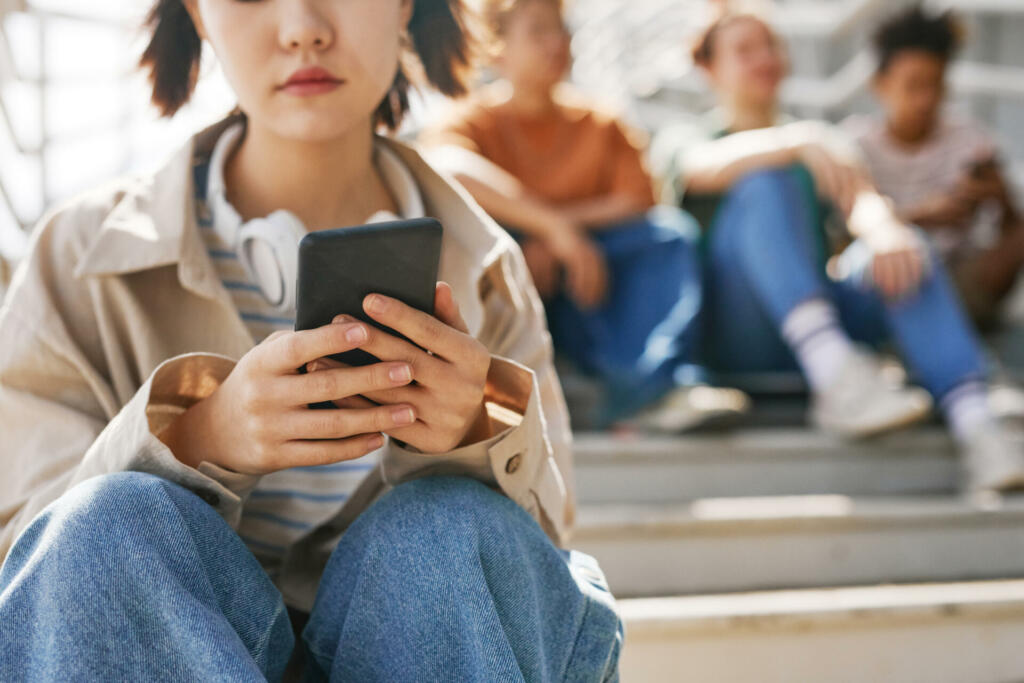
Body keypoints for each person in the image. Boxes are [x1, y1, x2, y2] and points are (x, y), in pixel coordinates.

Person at [0, 0, 623, 679]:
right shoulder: (76, 258)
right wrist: (197, 439)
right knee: (106, 523)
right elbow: (32, 564)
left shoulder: (487, 269)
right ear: (198, 15)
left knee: (454, 528)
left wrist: (476, 431)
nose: (303, 26)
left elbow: (538, 565)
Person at [651, 8, 1024, 492]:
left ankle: (978, 427)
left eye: (771, 45)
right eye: (745, 49)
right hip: (738, 330)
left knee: (904, 248)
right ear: (708, 69)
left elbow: (863, 202)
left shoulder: (820, 141)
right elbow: (700, 167)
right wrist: (794, 142)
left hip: (820, 320)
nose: (765, 58)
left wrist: (886, 229)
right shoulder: (689, 137)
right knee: (765, 182)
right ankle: (836, 373)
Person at [423, 0, 749, 432]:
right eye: (538, 32)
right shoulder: (471, 119)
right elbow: (447, 167)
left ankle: (657, 389)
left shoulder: (601, 120)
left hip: (594, 290)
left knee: (667, 237)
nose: (557, 42)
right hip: (516, 289)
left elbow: (638, 199)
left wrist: (563, 236)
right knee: (468, 246)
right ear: (497, 49)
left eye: (562, 30)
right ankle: (493, 400)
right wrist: (549, 229)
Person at [846, 5, 1024, 331]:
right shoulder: (853, 146)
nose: (926, 99)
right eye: (913, 85)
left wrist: (1000, 198)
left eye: (936, 85)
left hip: (961, 280)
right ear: (879, 84)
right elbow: (842, 241)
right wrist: (921, 216)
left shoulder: (971, 140)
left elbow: (1012, 231)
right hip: (887, 280)